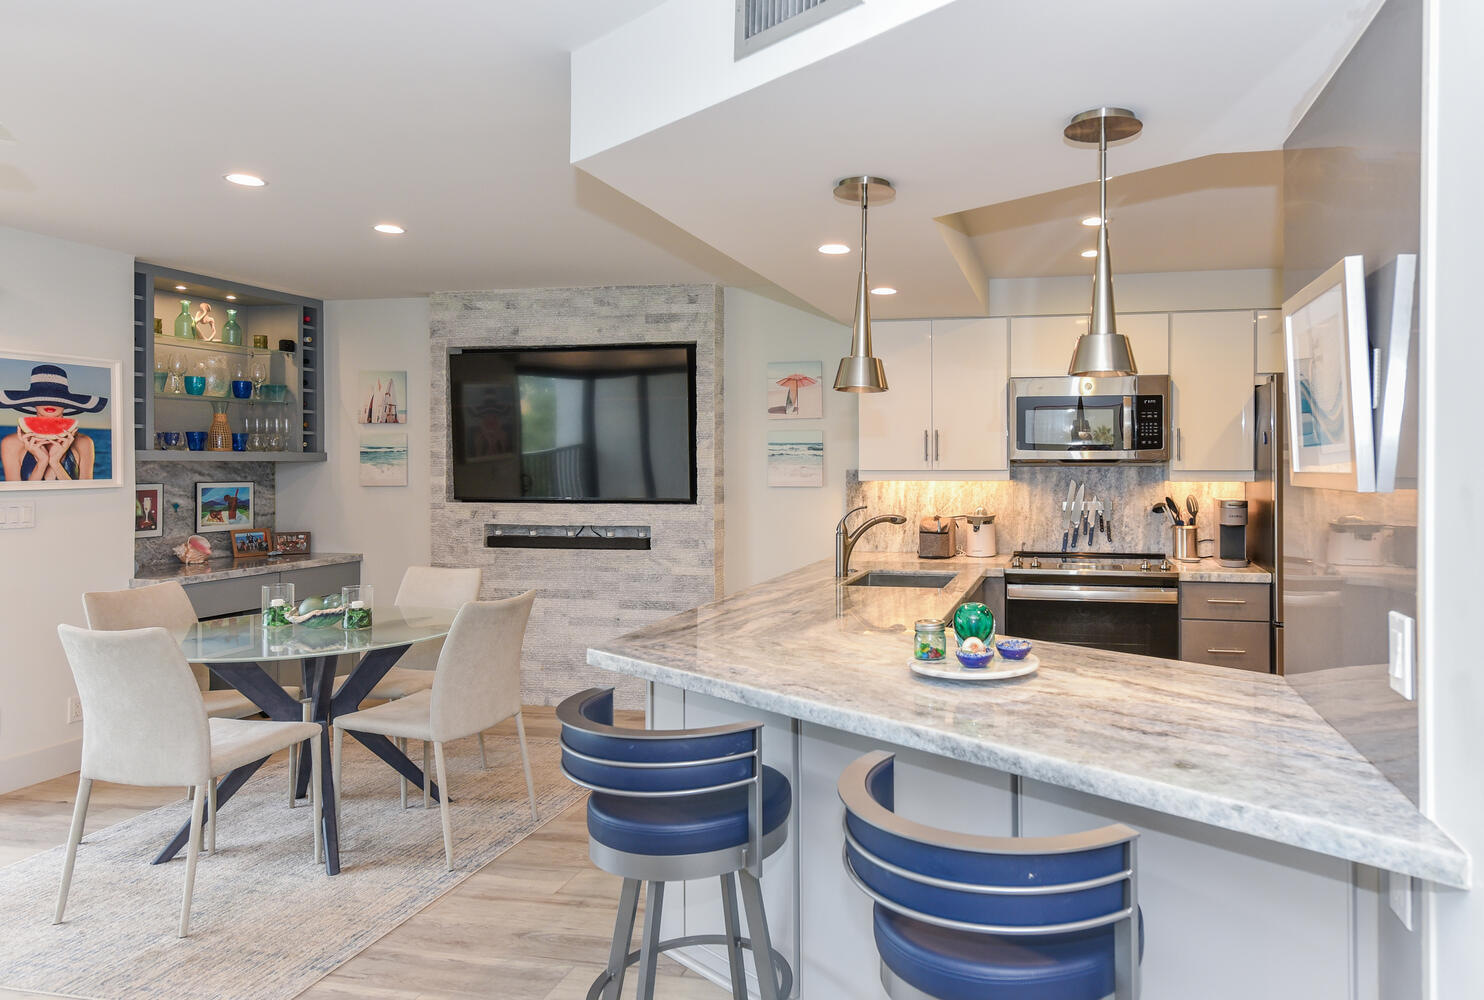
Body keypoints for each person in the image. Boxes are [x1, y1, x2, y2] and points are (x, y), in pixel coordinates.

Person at [0, 364, 107, 482]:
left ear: (67, 404)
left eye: (57, 399)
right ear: (32, 402)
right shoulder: (11, 443)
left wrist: (55, 463)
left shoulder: (84, 443)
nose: (50, 404)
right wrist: (42, 462)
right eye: (42, 399)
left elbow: (86, 495)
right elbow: (18, 498)